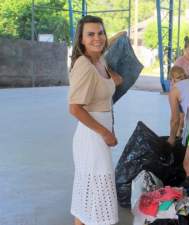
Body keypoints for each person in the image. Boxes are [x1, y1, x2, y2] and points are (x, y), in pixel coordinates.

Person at [68, 15, 122, 225]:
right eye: (90, 34)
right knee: (100, 199)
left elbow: (110, 80)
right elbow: (75, 108)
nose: (97, 38)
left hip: (98, 133)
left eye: (101, 33)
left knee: (88, 198)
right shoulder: (84, 65)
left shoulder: (100, 60)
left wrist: (114, 79)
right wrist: (106, 133)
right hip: (92, 136)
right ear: (81, 39)